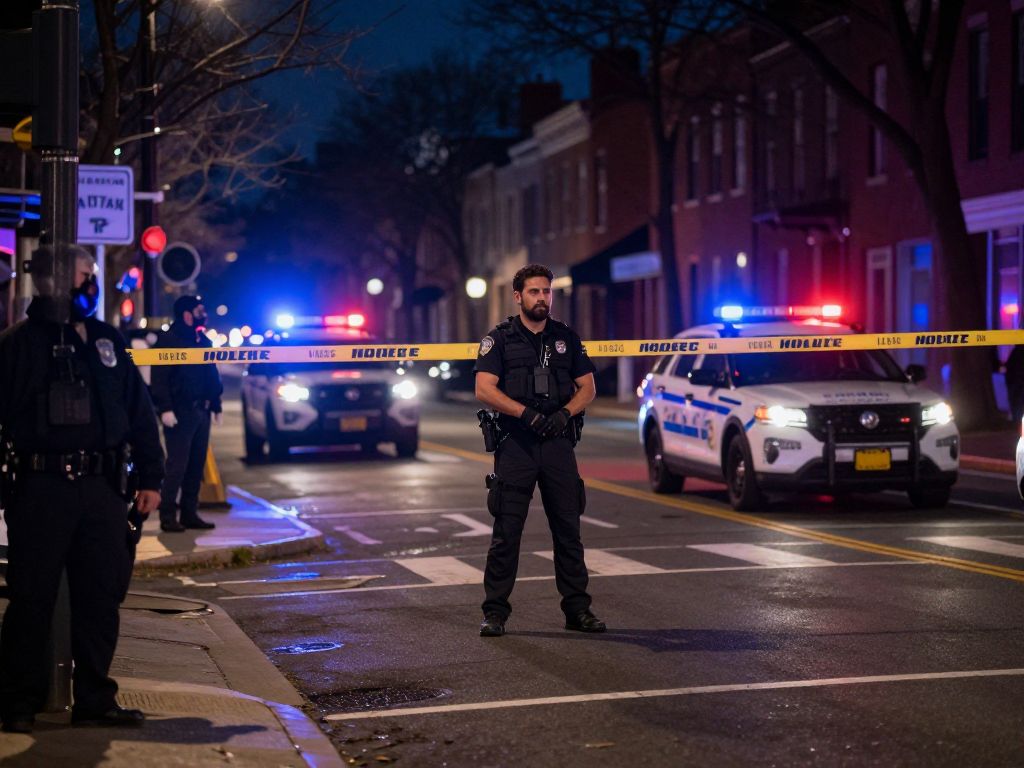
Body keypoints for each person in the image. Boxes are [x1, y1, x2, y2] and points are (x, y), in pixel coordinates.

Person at [0, 246, 163, 732]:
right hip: (39, 487)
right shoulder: (18, 345)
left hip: (100, 488)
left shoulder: (106, 341)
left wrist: (150, 477)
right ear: (55, 280)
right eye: (85, 275)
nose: (92, 283)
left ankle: (95, 698)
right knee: (32, 597)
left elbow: (138, 412)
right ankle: (15, 702)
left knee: (100, 596)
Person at [473, 263, 605, 637]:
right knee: (506, 532)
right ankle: (495, 613)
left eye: (546, 291)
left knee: (568, 530)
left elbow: (588, 388)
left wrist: (565, 413)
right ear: (518, 297)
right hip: (516, 443)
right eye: (534, 292)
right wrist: (525, 414)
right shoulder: (499, 339)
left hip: (558, 445)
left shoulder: (565, 337)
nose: (542, 298)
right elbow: (484, 389)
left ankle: (577, 611)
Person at [149, 295, 223, 532]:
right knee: (177, 466)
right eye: (199, 310)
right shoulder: (169, 339)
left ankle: (190, 513)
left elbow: (211, 374)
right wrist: (166, 409)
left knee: (195, 465)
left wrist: (216, 403)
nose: (204, 313)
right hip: (180, 413)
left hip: (202, 410)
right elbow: (159, 378)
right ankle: (168, 515)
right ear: (187, 314)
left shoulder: (202, 339)